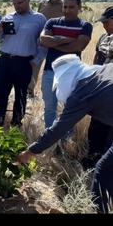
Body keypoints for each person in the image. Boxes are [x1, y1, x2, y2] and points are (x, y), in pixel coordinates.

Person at [17, 54, 113, 214]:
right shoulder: (104, 71)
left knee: (103, 171)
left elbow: (58, 129)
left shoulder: (83, 92)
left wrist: (30, 151)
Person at [39, 0, 92, 151]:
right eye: (65, 6)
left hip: (71, 74)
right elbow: (43, 40)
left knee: (67, 109)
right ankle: (51, 140)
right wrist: (68, 40)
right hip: (50, 71)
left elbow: (79, 47)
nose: (67, 10)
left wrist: (54, 42)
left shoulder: (85, 25)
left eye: (71, 7)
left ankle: (64, 142)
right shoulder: (52, 22)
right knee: (49, 108)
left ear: (79, 7)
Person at [0, 0, 47, 128]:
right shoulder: (8, 17)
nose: (17, 6)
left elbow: (44, 44)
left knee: (21, 95)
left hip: (24, 63)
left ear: (28, 0)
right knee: (1, 93)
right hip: (5, 60)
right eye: (14, 3)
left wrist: (35, 61)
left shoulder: (39, 19)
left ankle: (16, 124)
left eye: (20, 3)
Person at [83, 6, 113, 169]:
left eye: (107, 22)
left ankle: (105, 166)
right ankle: (92, 159)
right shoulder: (103, 38)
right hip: (100, 89)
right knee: (95, 128)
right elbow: (97, 58)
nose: (104, 26)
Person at [28, 0, 67, 98]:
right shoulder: (42, 3)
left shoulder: (64, 6)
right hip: (39, 40)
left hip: (55, 42)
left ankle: (51, 93)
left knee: (53, 67)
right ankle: (29, 91)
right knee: (35, 65)